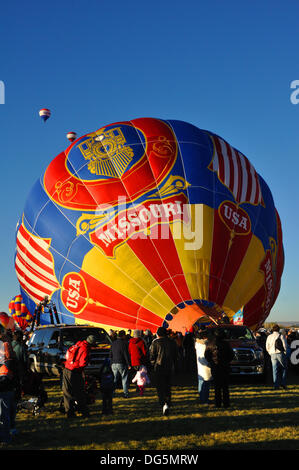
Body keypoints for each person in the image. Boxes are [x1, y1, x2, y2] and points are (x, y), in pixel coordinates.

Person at [62, 335, 96, 418]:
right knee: (79, 392)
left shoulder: (79, 343)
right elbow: (82, 363)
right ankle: (84, 412)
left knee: (67, 392)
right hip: (75, 371)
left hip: (67, 368)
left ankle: (69, 412)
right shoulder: (85, 348)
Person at [149, 326, 178, 416]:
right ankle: (168, 402)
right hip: (169, 367)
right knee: (167, 385)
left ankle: (163, 403)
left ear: (158, 334)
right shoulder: (172, 342)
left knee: (160, 386)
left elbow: (152, 356)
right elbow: (176, 355)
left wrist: (153, 364)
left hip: (159, 367)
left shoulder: (155, 343)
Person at [204, 329, 234, 408]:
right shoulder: (226, 344)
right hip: (224, 367)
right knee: (225, 387)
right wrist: (226, 361)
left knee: (217, 387)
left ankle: (218, 404)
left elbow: (206, 355)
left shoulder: (210, 344)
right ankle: (226, 403)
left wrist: (212, 362)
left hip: (215, 367)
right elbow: (231, 355)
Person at [0, 327, 18, 442]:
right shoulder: (12, 359)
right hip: (10, 387)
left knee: (3, 413)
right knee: (9, 411)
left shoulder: (5, 363)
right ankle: (10, 432)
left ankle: (5, 437)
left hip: (4, 386)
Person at [266, 324, 288, 389]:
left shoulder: (269, 336)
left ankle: (276, 385)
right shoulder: (281, 336)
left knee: (274, 369)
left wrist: (270, 352)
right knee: (284, 368)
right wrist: (285, 353)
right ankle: (283, 383)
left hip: (272, 354)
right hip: (280, 353)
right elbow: (285, 346)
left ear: (273, 329)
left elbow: (267, 347)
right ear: (279, 329)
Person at [110, 330, 131, 398]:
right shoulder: (124, 343)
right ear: (123, 335)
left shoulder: (113, 343)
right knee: (124, 378)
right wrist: (128, 364)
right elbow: (126, 354)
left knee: (115, 379)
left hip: (114, 363)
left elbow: (110, 354)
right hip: (121, 363)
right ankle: (126, 393)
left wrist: (111, 363)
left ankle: (112, 393)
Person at [194, 330, 212, 404]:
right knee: (206, 384)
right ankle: (205, 400)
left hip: (200, 366)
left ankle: (201, 398)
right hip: (206, 366)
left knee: (201, 383)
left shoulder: (197, 344)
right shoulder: (205, 345)